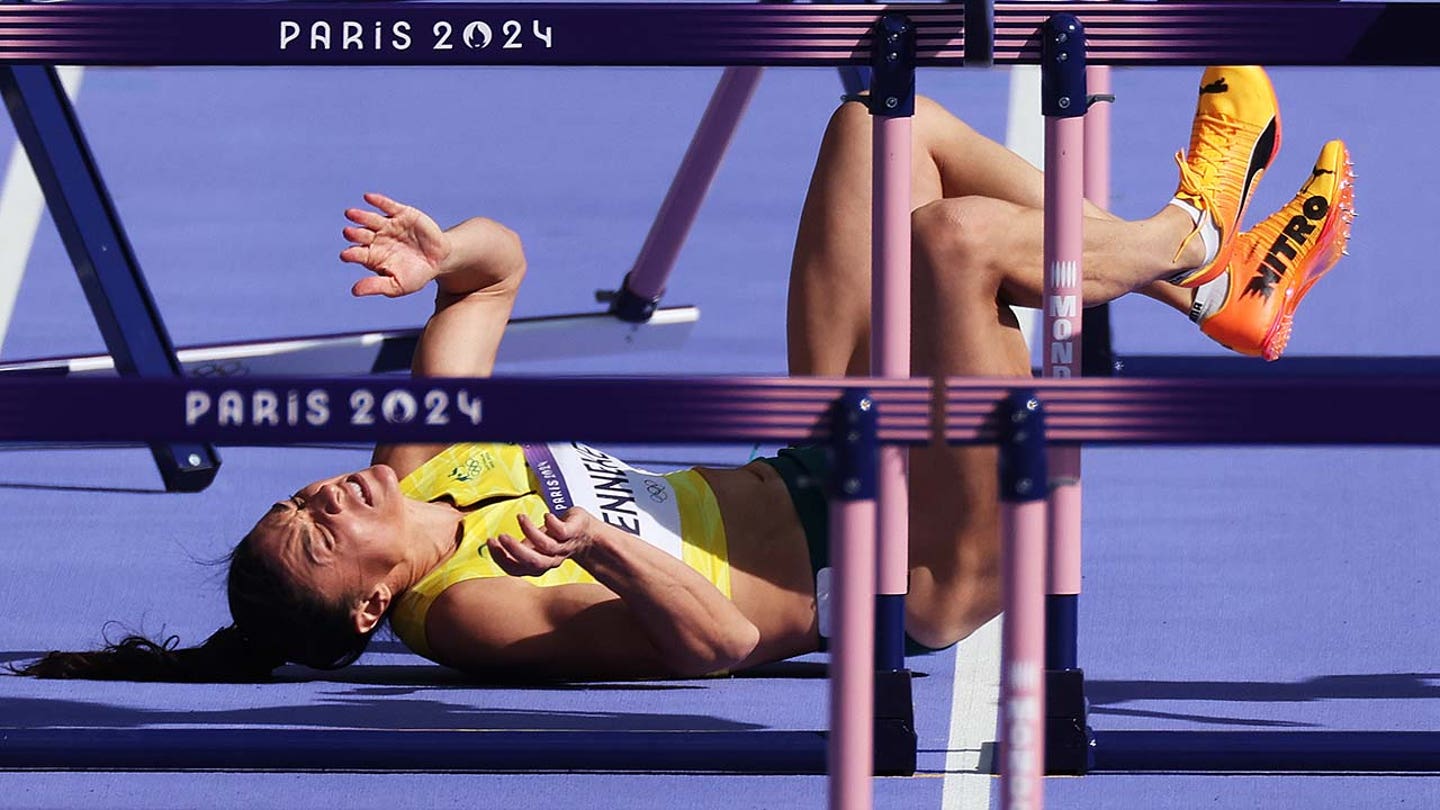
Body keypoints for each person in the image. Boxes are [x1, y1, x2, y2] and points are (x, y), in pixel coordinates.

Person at [14, 66, 1352, 682]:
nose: (326, 496)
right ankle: (1191, 228)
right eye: (321, 535)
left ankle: (1204, 282)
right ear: (370, 608)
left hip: (815, 453)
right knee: (951, 245)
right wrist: (604, 546)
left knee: (875, 132)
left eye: (295, 497)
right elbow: (718, 643)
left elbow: (498, 274)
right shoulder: (473, 613)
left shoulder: (419, 460)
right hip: (910, 567)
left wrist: (444, 251)